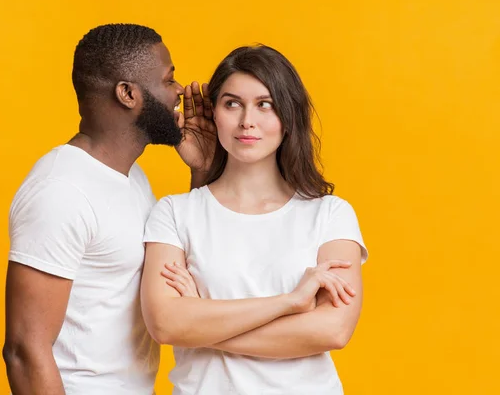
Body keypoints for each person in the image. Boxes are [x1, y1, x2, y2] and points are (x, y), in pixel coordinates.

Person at [141, 45, 368, 394]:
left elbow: (332, 331)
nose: (247, 120)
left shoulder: (330, 214)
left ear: (288, 116)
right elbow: (166, 324)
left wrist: (203, 317)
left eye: (265, 104)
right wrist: (289, 303)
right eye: (232, 103)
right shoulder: (173, 212)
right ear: (213, 113)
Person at [2, 23, 214, 395]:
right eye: (169, 80)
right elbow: (23, 350)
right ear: (128, 94)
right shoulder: (61, 191)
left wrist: (202, 170)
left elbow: (184, 262)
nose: (179, 91)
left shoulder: (132, 178)